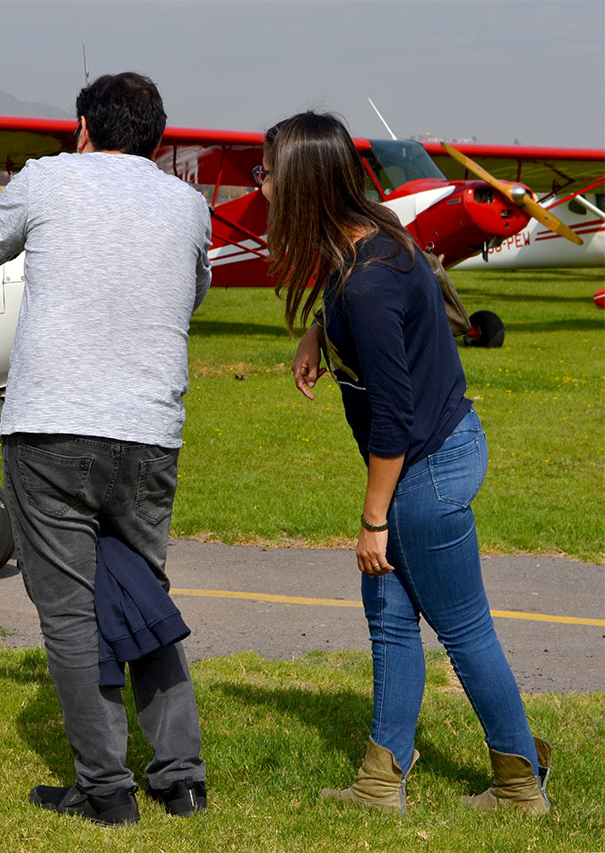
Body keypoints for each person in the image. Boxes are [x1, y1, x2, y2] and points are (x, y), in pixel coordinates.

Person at [263, 111, 551, 815]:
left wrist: (373, 522)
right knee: (390, 616)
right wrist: (318, 331)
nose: (261, 186)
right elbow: (367, 316)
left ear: (302, 183)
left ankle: (520, 784)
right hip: (432, 456)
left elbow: (393, 417)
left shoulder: (369, 282)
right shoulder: (374, 240)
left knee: (463, 629)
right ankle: (379, 780)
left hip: (425, 468)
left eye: (267, 174)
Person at [0, 72, 211, 826]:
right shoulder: (188, 203)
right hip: (149, 432)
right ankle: (181, 778)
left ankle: (105, 788)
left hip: (51, 428)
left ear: (84, 129)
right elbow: (193, 294)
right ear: (157, 139)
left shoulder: (45, 178)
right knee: (143, 598)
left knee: (70, 614)